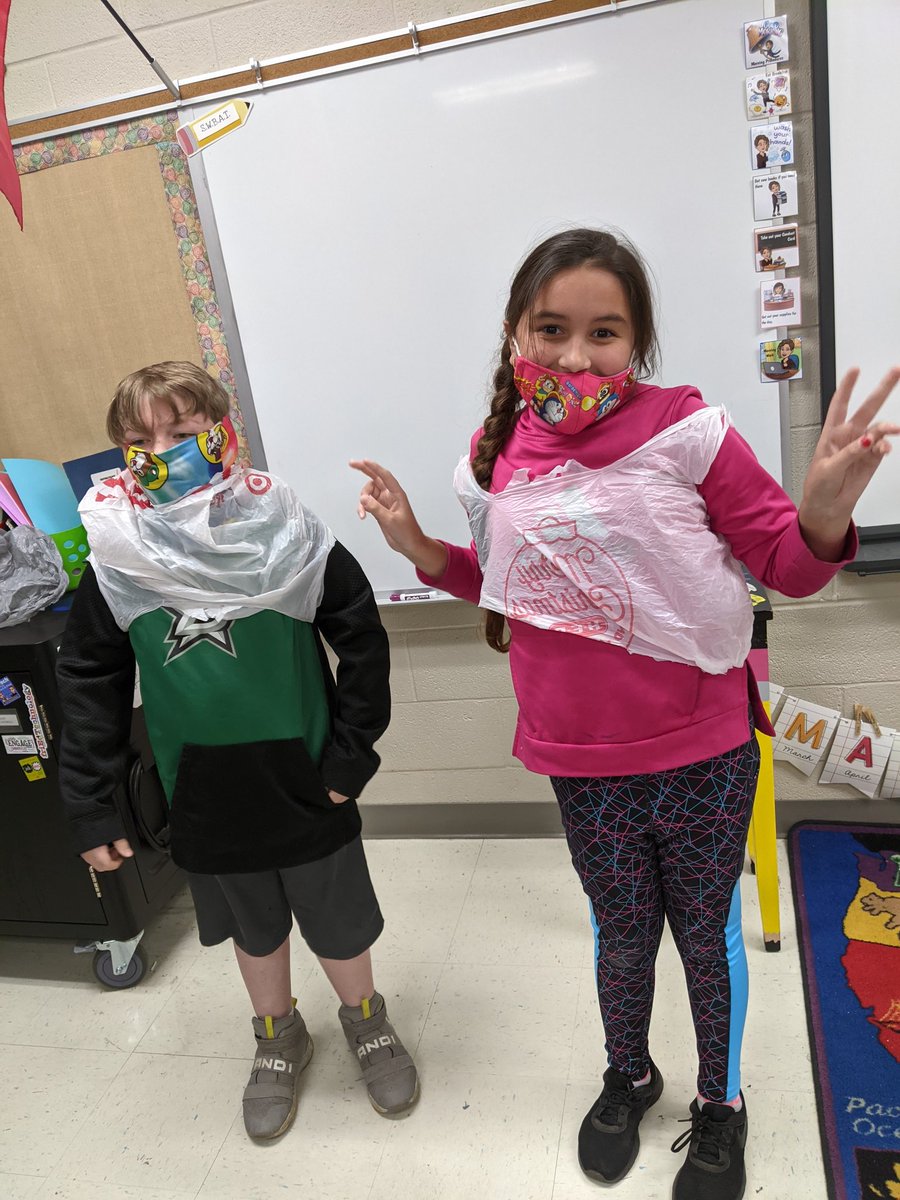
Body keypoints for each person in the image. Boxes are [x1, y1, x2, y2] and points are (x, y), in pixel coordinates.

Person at [350, 229, 899, 1200]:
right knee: (620, 930)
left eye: (604, 332)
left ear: (638, 343)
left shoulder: (687, 430)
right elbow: (516, 588)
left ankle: (720, 1105)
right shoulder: (499, 451)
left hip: (702, 749)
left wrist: (819, 516)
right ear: (516, 330)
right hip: (581, 758)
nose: (574, 355)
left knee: (705, 934)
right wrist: (420, 548)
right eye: (551, 328)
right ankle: (628, 1076)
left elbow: (787, 565)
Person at [57, 361, 419, 1142]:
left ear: (223, 437)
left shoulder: (288, 531)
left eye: (181, 434)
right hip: (203, 794)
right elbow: (87, 680)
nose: (160, 452)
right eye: (137, 442)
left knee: (337, 918)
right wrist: (90, 802)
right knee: (253, 925)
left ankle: (364, 1016)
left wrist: (350, 758)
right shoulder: (119, 559)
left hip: (304, 781)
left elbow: (361, 640)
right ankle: (277, 1031)